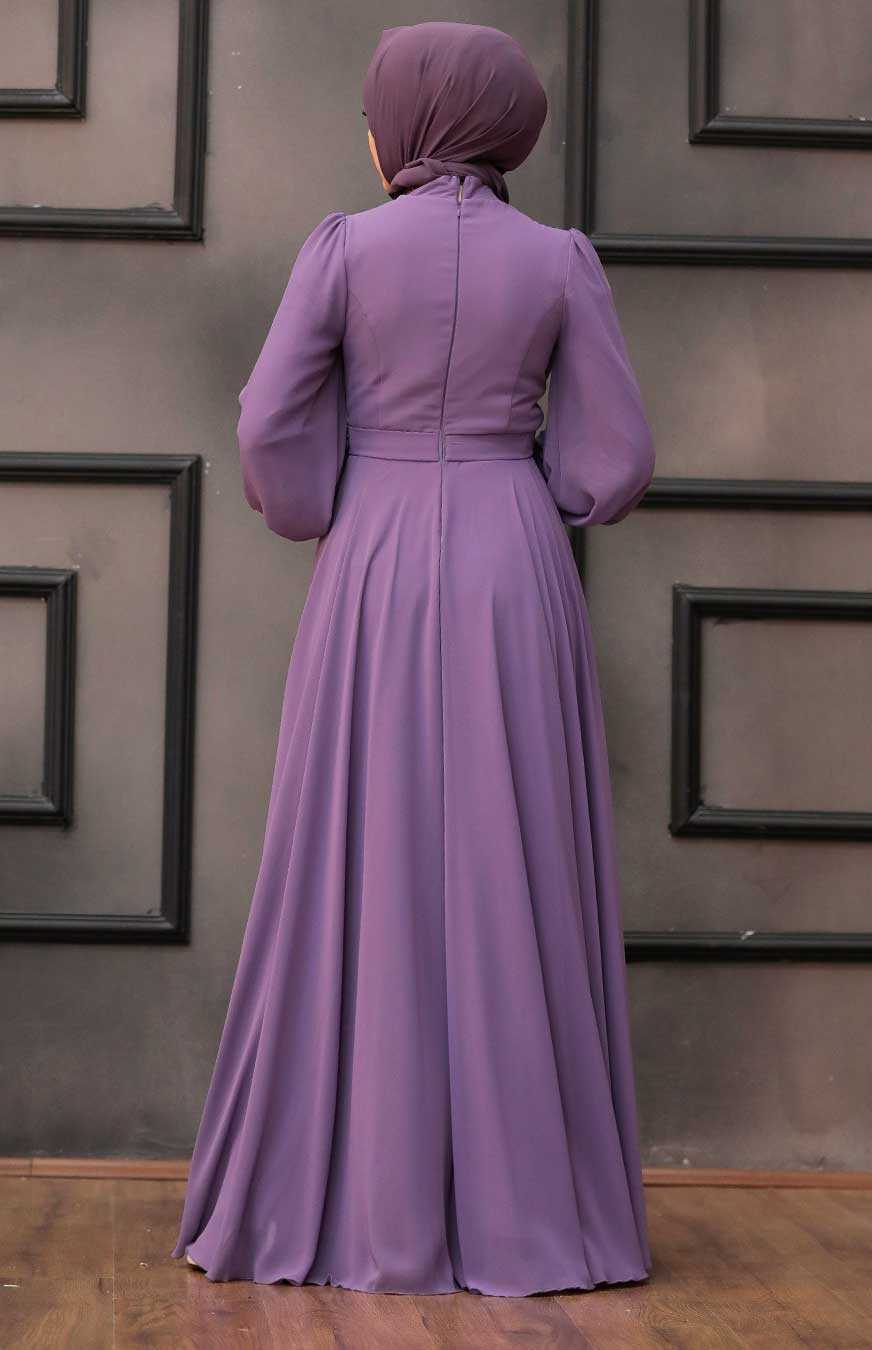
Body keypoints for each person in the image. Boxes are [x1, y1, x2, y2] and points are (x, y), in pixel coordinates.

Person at [171, 20, 655, 1297]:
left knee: (360, 847)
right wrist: (529, 479)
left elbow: (270, 424)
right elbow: (611, 459)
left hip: (375, 563)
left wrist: (326, 501)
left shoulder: (344, 247)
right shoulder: (558, 260)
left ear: (407, 124)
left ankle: (352, 1198)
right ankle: (528, 1211)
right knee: (513, 851)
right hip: (512, 564)